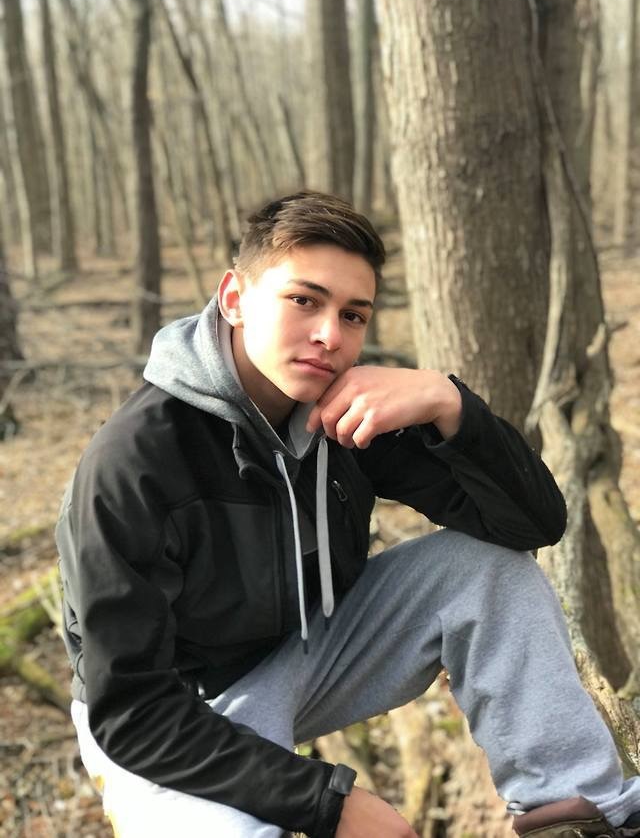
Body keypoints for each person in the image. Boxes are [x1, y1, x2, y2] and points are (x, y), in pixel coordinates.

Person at [56, 191, 640, 838]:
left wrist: (449, 403)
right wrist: (327, 801)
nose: (330, 336)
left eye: (353, 314)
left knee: (487, 570)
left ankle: (579, 815)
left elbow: (532, 526)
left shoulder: (346, 413)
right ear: (234, 298)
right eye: (304, 301)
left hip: (304, 657)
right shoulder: (133, 463)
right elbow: (131, 709)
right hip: (171, 719)